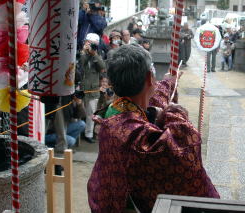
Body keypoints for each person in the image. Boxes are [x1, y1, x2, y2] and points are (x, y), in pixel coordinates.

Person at [87, 45, 220, 212]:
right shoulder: (135, 137)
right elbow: (182, 146)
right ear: (150, 78)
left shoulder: (116, 110)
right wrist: (174, 112)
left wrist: (167, 83)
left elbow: (151, 98)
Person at [80, 33, 106, 143]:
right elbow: (81, 65)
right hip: (82, 89)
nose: (92, 46)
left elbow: (103, 67)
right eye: (90, 44)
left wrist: (94, 54)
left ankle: (88, 134)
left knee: (91, 113)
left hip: (93, 89)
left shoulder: (98, 54)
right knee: (80, 111)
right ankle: (79, 131)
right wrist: (84, 52)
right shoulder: (80, 53)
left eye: (95, 45)